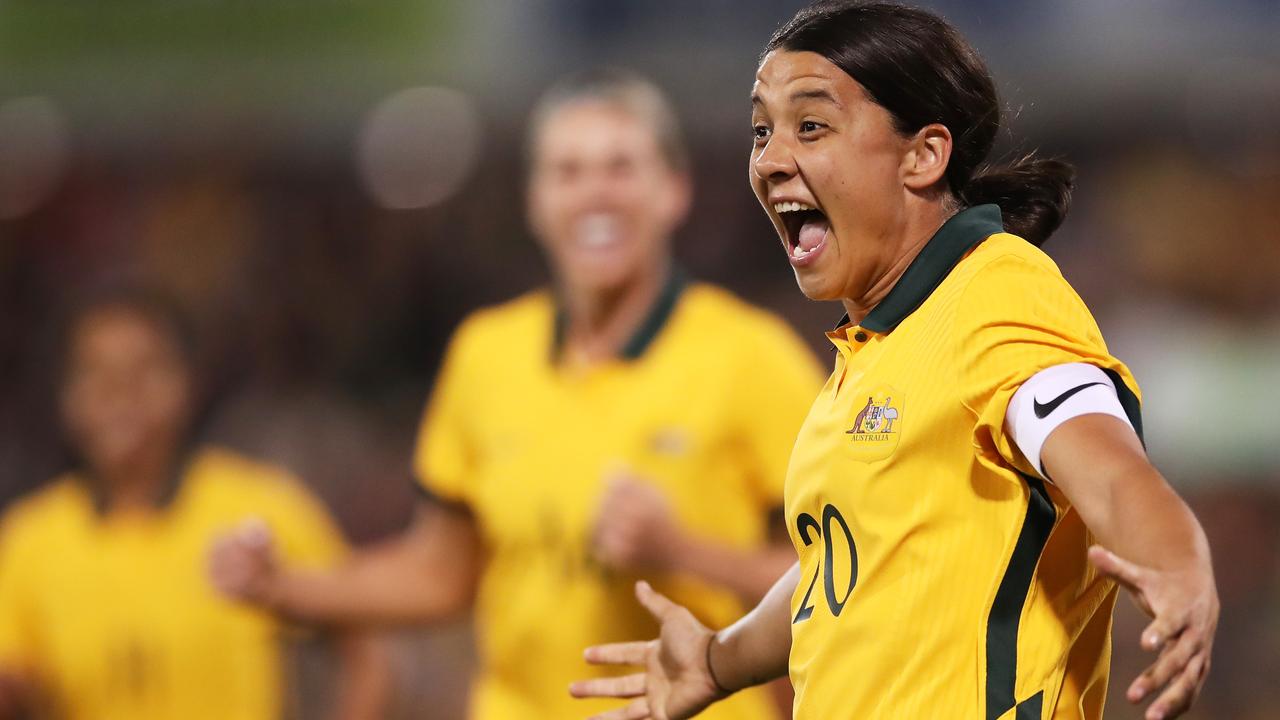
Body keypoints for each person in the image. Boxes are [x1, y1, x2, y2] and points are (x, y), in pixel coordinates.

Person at [570, 3, 1220, 720]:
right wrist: (719, 660)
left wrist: (1179, 563)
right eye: (762, 130)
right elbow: (847, 576)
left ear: (924, 155)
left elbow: (1113, 471)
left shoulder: (998, 296)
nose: (771, 159)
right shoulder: (877, 347)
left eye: (810, 126)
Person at [208, 69, 823, 719]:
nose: (595, 194)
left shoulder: (752, 357)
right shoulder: (486, 354)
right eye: (568, 171)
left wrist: (683, 551)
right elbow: (441, 573)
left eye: (620, 167)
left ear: (672, 191)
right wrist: (284, 586)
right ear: (534, 199)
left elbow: (838, 569)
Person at [0, 289, 386, 720]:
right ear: (65, 394)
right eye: (96, 372)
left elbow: (364, 650)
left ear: (186, 382)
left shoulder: (257, 509)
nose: (120, 393)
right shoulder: (30, 539)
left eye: (144, 369)